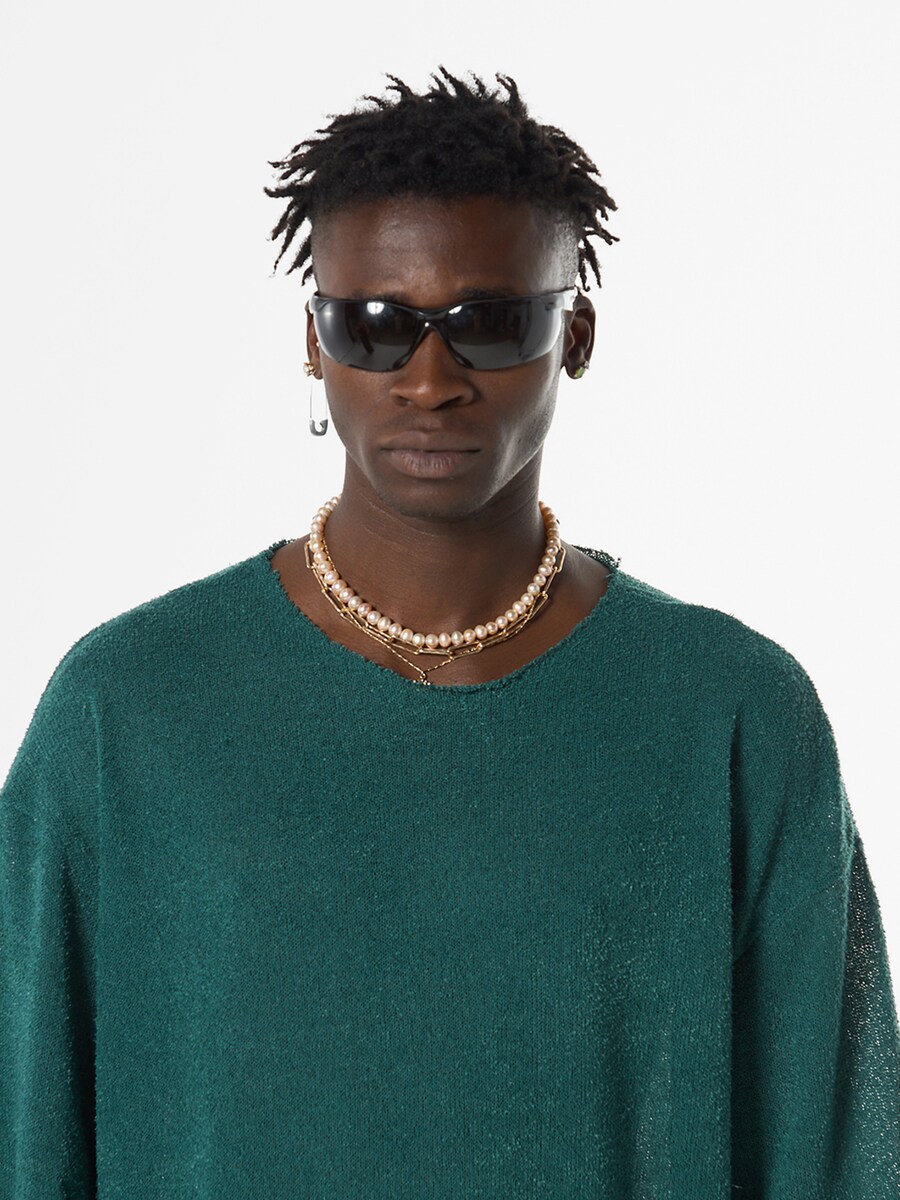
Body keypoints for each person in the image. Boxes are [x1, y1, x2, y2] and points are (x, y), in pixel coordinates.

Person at [1, 66, 898, 1198]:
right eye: (375, 326)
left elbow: (835, 1152)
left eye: (490, 325)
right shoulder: (128, 708)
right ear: (314, 341)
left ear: (575, 335)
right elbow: (24, 1131)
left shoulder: (733, 713)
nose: (430, 382)